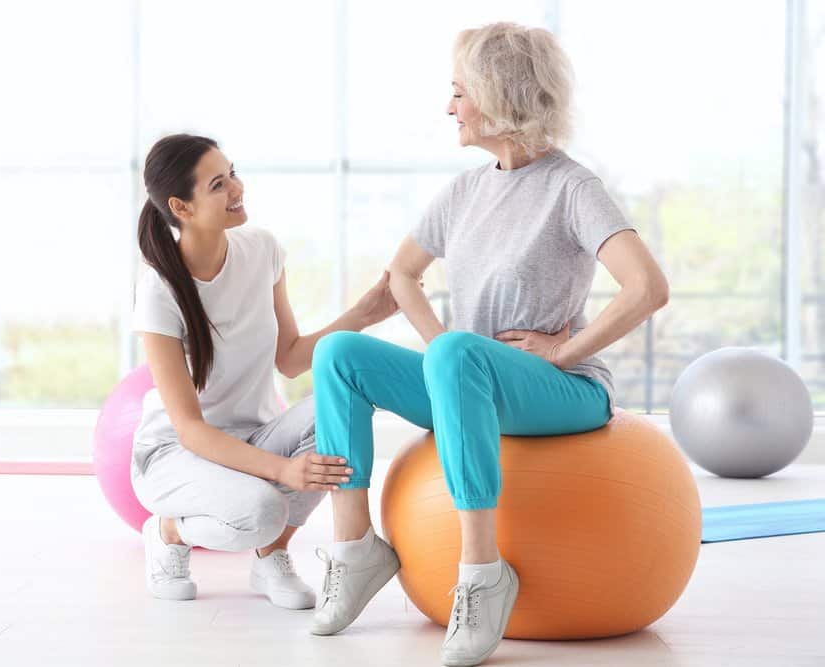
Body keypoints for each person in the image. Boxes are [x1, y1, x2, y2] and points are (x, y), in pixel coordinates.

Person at [308, 22, 670, 667]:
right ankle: (355, 549)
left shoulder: (571, 187)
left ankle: (481, 572)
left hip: (564, 391)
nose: (449, 107)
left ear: (500, 95)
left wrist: (565, 350)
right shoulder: (466, 190)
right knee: (338, 354)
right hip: (470, 380)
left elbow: (647, 287)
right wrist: (440, 344)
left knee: (453, 355)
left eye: (458, 92)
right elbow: (401, 274)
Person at [130, 134, 398, 609]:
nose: (237, 188)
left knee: (340, 407)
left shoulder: (262, 250)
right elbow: (190, 429)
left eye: (232, 172)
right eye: (218, 184)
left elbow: (290, 358)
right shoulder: (159, 289)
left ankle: (270, 556)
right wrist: (281, 470)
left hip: (252, 434)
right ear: (181, 207)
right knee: (263, 509)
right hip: (176, 453)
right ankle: (169, 530)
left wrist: (363, 314)